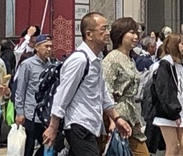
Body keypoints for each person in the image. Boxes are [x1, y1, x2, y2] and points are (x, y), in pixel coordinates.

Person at [42, 12, 133, 156]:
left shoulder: (96, 60)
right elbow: (63, 94)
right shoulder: (80, 60)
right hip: (78, 125)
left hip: (91, 126)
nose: (108, 33)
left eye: (108, 28)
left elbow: (103, 93)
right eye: (103, 29)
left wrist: (117, 117)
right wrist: (53, 126)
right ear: (89, 34)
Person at [104, 17, 149, 156]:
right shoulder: (112, 59)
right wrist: (113, 120)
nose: (136, 37)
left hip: (131, 114)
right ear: (120, 34)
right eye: (131, 32)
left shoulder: (130, 58)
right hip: (118, 114)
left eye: (137, 33)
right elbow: (107, 90)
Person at [151, 33, 183, 156]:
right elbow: (164, 90)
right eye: (181, 43)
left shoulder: (182, 65)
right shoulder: (165, 64)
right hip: (167, 112)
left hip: (182, 110)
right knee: (173, 146)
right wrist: (173, 111)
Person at [13, 33, 53, 156]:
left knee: (48, 145)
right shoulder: (27, 64)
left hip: (45, 114)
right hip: (30, 113)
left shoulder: (51, 65)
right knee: (28, 147)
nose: (49, 49)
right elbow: (20, 90)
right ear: (37, 47)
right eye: (46, 46)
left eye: (51, 46)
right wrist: (20, 112)